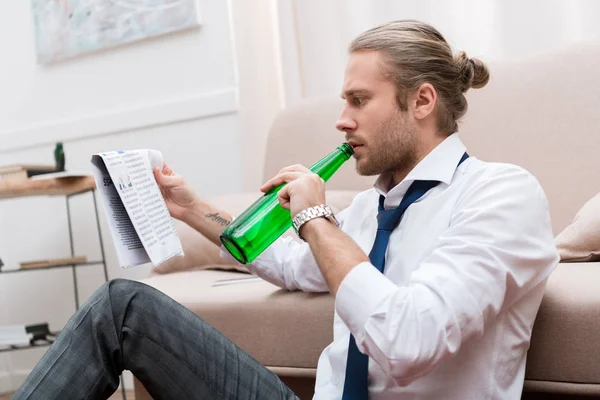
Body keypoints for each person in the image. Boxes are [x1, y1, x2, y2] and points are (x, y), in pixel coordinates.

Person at [14, 20, 558, 400]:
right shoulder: (373, 209)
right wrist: (191, 208)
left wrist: (316, 219)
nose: (342, 120)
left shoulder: (500, 195)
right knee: (122, 305)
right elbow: (291, 264)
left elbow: (408, 342)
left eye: (359, 100)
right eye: (343, 101)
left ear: (421, 101)